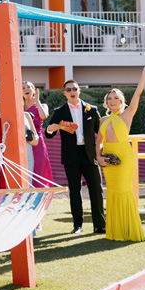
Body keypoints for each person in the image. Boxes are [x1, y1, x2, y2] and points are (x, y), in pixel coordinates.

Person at [96, 65, 145, 242]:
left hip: (124, 157)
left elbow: (137, 94)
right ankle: (115, 232)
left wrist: (144, 74)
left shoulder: (127, 114)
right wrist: (99, 158)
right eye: (110, 98)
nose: (112, 100)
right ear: (107, 102)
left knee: (124, 190)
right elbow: (98, 142)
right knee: (113, 192)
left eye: (116, 98)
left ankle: (129, 230)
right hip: (108, 161)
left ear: (121, 101)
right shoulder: (102, 119)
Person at [45, 80, 106, 235]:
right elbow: (48, 133)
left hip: (90, 154)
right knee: (75, 191)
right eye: (68, 89)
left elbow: (102, 131)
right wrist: (50, 129)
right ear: (64, 93)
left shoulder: (92, 109)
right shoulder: (59, 111)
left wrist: (101, 151)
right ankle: (77, 226)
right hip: (71, 156)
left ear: (79, 91)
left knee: (96, 190)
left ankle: (100, 225)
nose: (72, 91)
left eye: (74, 88)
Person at [23, 82, 54, 187]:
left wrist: (37, 100)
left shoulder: (42, 105)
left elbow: (44, 116)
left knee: (39, 166)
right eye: (23, 88)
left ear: (34, 90)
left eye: (28, 87)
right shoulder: (20, 107)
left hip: (38, 141)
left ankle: (39, 192)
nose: (26, 89)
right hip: (24, 142)